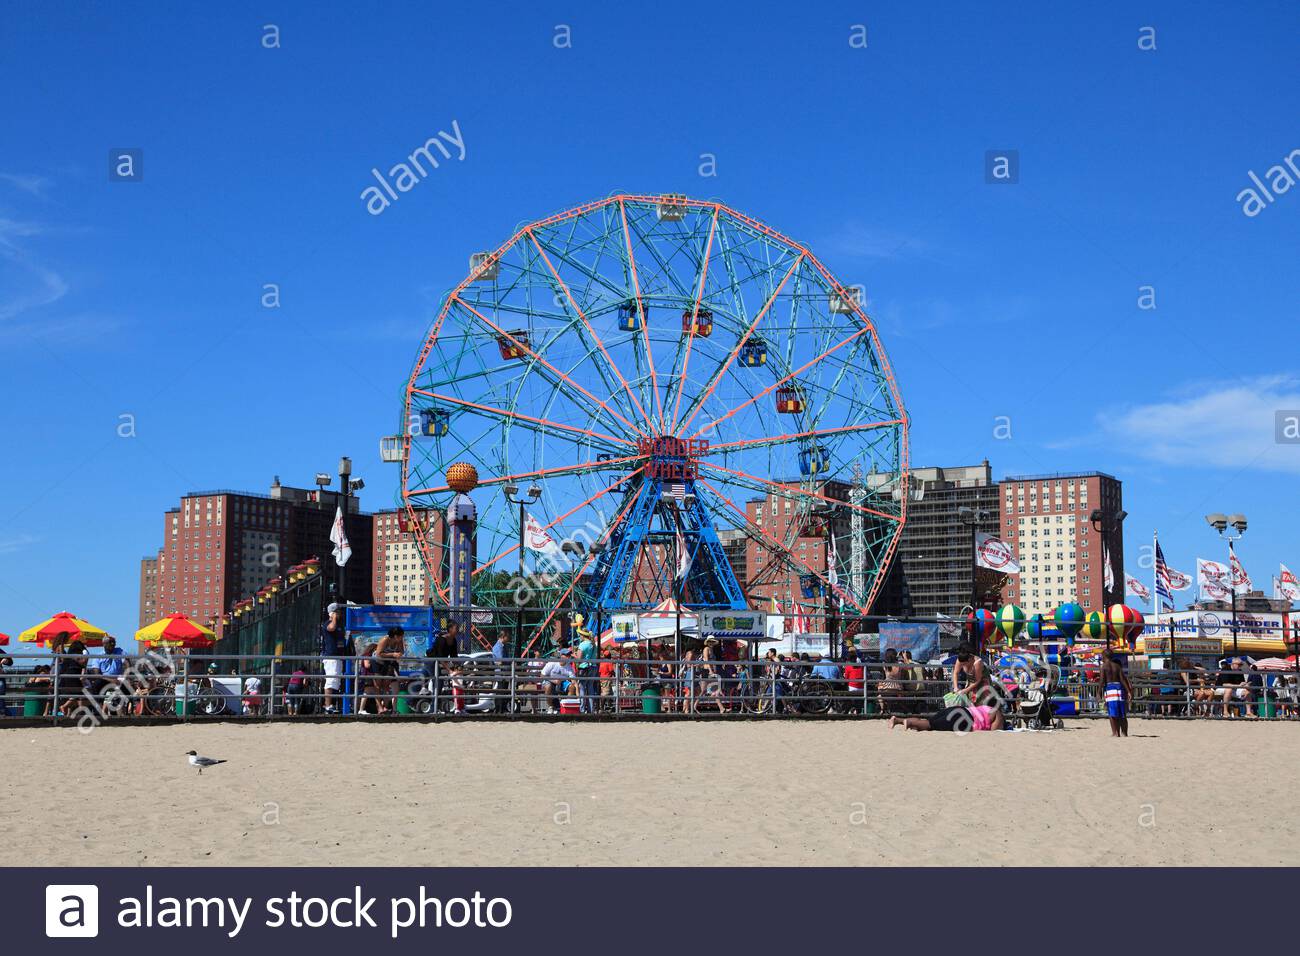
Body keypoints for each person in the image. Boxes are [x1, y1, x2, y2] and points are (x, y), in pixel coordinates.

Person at [888, 702, 1005, 732]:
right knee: (930, 725)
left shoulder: (986, 708)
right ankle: (909, 723)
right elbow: (994, 732)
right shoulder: (998, 715)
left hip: (959, 710)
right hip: (965, 719)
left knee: (929, 722)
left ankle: (898, 720)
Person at [319, 603, 349, 715]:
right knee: (331, 681)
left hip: (338, 656)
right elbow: (331, 628)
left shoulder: (340, 625)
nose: (340, 614)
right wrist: (334, 618)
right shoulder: (328, 623)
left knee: (336, 681)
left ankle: (332, 704)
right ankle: (327, 705)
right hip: (331, 656)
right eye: (337, 612)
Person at [1100, 648, 1132, 738]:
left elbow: (1102, 681)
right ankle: (1124, 733)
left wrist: (1098, 692)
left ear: (1104, 656)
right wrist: (1129, 691)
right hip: (1119, 689)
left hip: (1110, 689)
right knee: (1122, 713)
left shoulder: (1104, 667)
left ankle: (1115, 733)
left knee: (1112, 713)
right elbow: (1122, 679)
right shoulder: (1117, 666)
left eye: (1102, 656)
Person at [374, 627, 406, 714]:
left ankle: (386, 707)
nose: (402, 638)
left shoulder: (399, 641)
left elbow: (401, 651)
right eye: (401, 636)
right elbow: (378, 653)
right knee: (378, 685)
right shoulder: (385, 639)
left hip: (390, 663)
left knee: (387, 685)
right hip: (379, 663)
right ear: (395, 636)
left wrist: (399, 654)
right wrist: (393, 654)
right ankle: (379, 707)